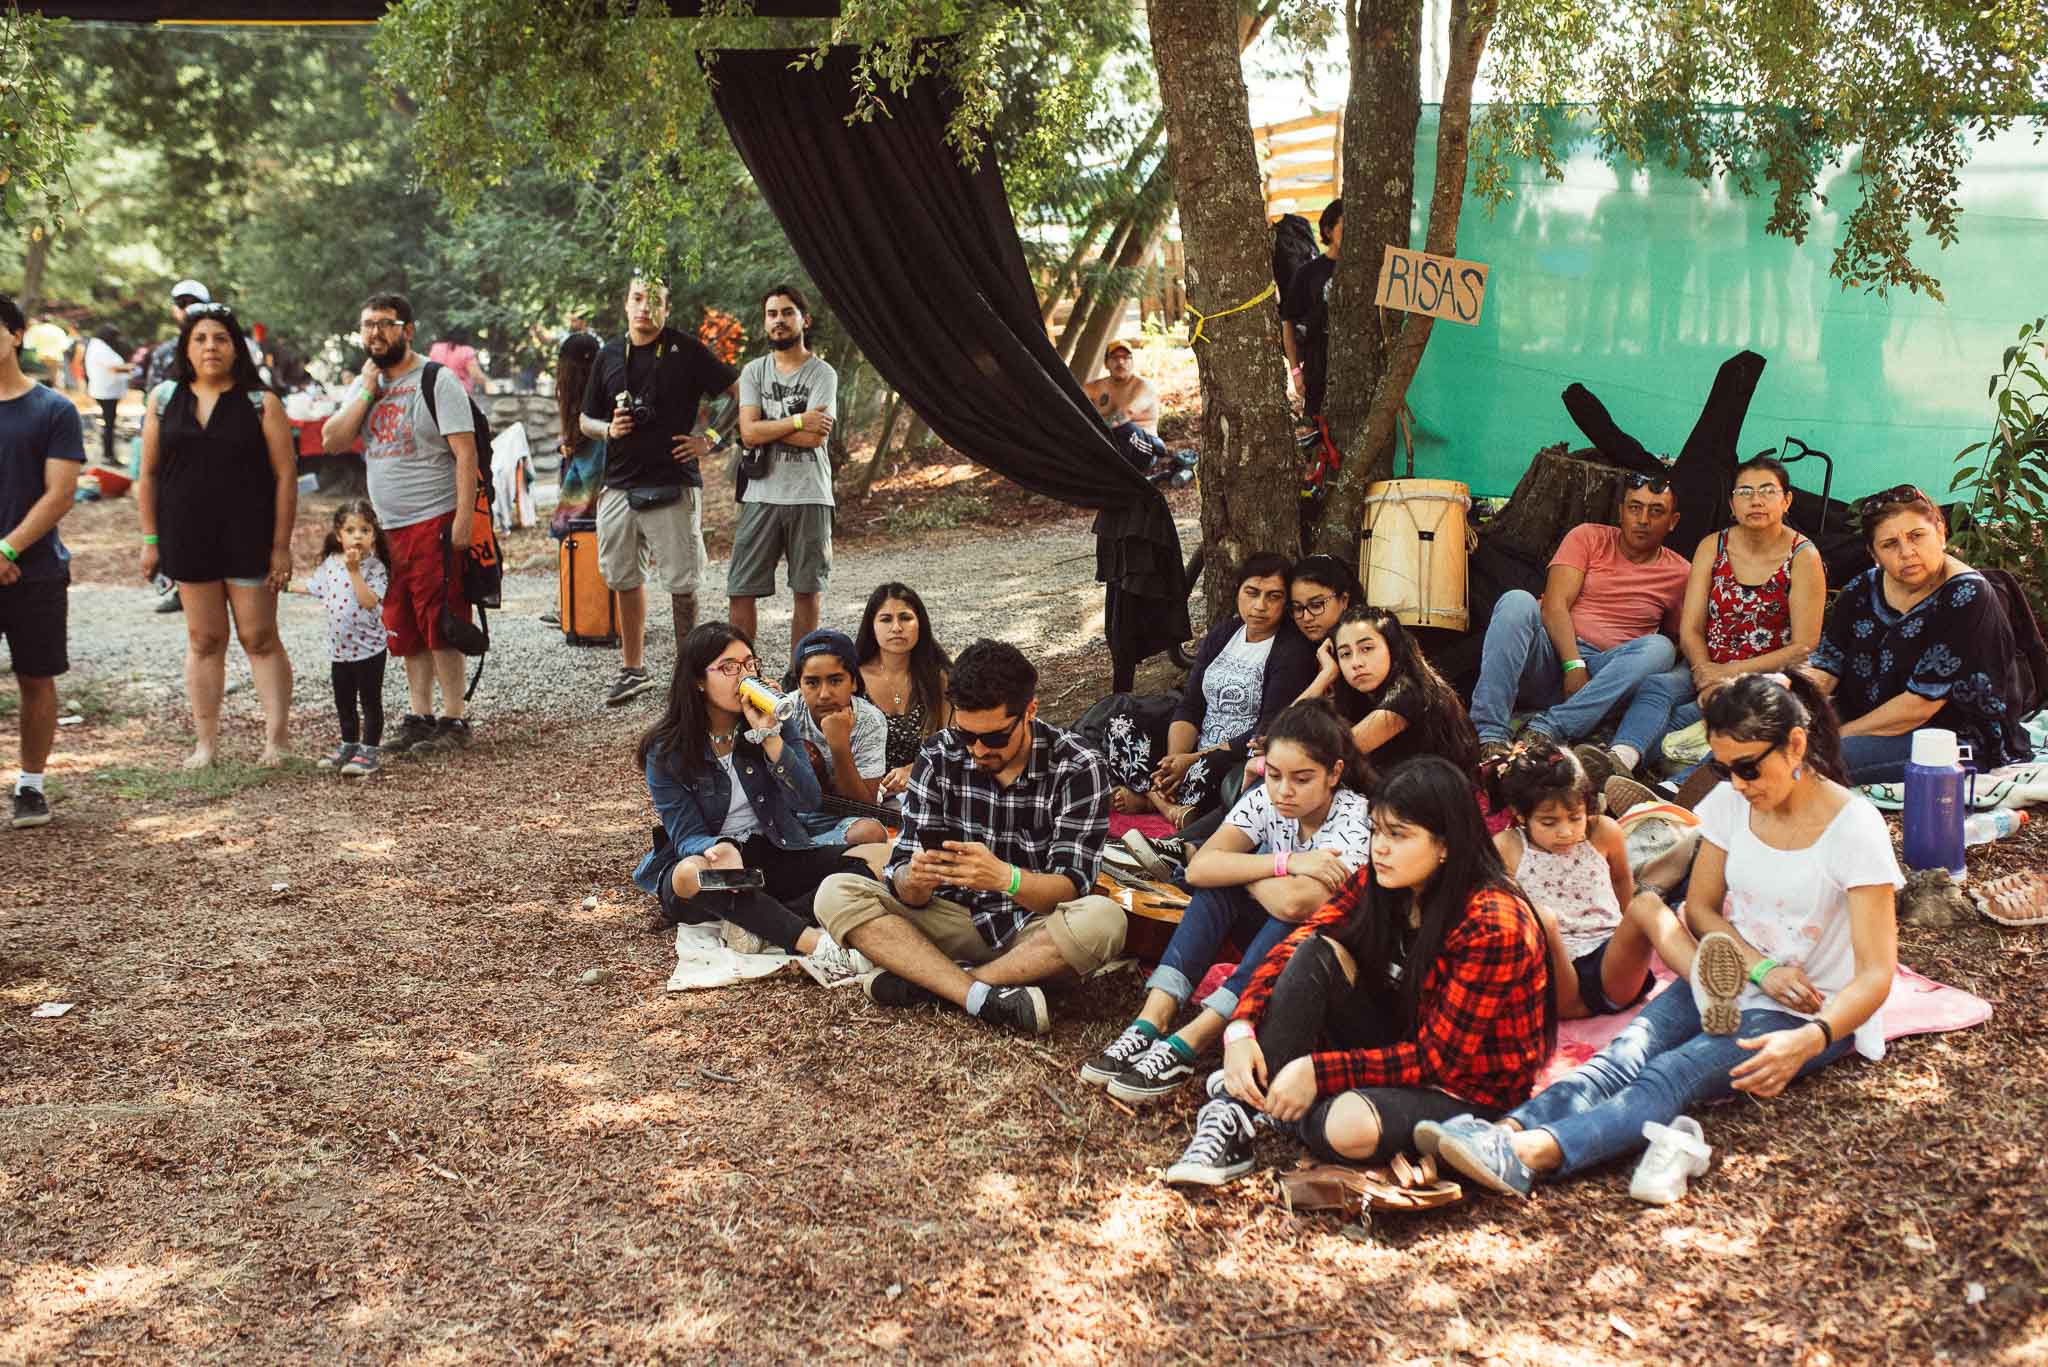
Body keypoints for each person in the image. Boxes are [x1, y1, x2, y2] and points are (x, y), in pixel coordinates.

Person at [1426, 674, 1900, 1205]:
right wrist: (1761, 968)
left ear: (1795, 743)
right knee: (1623, 1054)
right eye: (1724, 769)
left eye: (1748, 768)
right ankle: (1500, 1135)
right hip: (1734, 975)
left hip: (1809, 1011)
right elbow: (1698, 908)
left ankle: (1532, 1154)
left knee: (1674, 1072)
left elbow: (1878, 974)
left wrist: (1811, 1038)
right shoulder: (1731, 802)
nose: (1738, 784)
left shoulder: (1854, 828)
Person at [1164, 757, 1552, 1187]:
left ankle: (1278, 1104)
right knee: (1317, 951)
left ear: (1446, 845)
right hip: (1398, 1042)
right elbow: (1298, 944)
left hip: (1466, 1087)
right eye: (1376, 832)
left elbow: (1439, 1060)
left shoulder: (1493, 923)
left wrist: (1317, 1071)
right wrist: (1241, 1028)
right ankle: (1236, 1114)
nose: (1379, 847)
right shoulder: (1381, 880)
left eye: (1398, 835)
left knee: (1347, 1128)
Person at [813, 639, 1126, 1036]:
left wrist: (1004, 878)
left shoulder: (1078, 765)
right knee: (835, 893)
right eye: (966, 735)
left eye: (994, 738)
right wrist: (915, 879)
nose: (978, 750)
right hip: (945, 915)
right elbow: (903, 879)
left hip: (1028, 927)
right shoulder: (939, 754)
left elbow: (1071, 888)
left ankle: (940, 983)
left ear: (1030, 711)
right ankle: (980, 992)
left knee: (1104, 920)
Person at [1084, 701, 1373, 1104]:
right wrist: (1285, 862)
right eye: (1273, 775)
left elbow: (1296, 904)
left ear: (1334, 774)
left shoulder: (1354, 817)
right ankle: (1150, 1022)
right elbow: (1202, 868)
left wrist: (1245, 873)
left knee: (1277, 909)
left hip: (1328, 961)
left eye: (1302, 779)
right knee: (1220, 886)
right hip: (1274, 926)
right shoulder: (1266, 799)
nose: (1284, 790)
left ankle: (1194, 1038)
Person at [633, 622, 867, 986]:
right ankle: (814, 943)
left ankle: (758, 922)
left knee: (866, 863)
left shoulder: (773, 718)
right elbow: (685, 835)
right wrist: (716, 848)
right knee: (691, 872)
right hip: (712, 871)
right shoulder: (666, 751)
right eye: (728, 667)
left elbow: (807, 799)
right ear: (698, 680)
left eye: (749, 665)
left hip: (771, 852)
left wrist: (770, 737)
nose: (743, 676)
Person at [1589, 454, 1823, 785]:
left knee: (1734, 718)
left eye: (1767, 491)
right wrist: (1705, 676)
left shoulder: (1803, 556)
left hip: (1770, 675)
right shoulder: (1713, 546)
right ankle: (1618, 763)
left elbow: (1803, 645)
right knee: (1660, 687)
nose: (1755, 500)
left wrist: (1727, 675)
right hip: (1707, 665)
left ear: (1787, 501)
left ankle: (1676, 787)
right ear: (1731, 503)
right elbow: (1691, 628)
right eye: (1744, 492)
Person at [320, 292, 481, 757]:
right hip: (387, 530)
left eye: (385, 324)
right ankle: (419, 715)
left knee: (441, 619)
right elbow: (333, 439)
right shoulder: (366, 385)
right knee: (403, 622)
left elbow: (465, 452)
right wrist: (368, 389)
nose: (375, 332)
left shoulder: (437, 379)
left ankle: (455, 717)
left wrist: (464, 522)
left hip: (435, 519)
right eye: (367, 324)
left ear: (407, 330)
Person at [138, 303, 297, 769]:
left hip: (250, 536)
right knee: (204, 639)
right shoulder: (164, 400)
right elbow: (146, 475)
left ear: (236, 347)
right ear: (187, 348)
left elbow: (286, 476)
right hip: (187, 537)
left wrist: (281, 547)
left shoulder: (260, 402)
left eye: (221, 338)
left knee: (259, 636)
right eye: (201, 339)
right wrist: (150, 540)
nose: (211, 347)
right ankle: (206, 745)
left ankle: (277, 741)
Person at [577, 275, 738, 706]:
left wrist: (712, 439)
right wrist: (609, 429)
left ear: (668, 308)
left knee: (682, 582)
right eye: (637, 298)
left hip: (673, 482)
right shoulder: (610, 353)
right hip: (619, 485)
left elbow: (741, 393)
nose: (645, 307)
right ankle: (634, 670)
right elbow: (585, 420)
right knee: (624, 577)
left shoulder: (685, 349)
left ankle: (689, 676)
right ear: (626, 304)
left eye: (655, 301)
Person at [1802, 485, 2031, 784]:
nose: (1906, 552)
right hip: (1865, 722)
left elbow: (1918, 706)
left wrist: (1832, 736)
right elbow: (1826, 665)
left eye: (1916, 536)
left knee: (1800, 761)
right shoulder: (1861, 588)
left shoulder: (1967, 595)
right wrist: (1786, 706)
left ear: (1941, 533)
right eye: (1889, 544)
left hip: (1948, 738)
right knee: (1747, 746)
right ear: (1874, 554)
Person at [1470, 475, 1689, 759]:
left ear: (1673, 521)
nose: (1643, 519)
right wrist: (1573, 664)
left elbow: (1681, 636)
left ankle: (1549, 728)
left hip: (1603, 681)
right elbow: (1554, 605)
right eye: (1635, 507)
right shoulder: (1588, 537)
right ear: (1621, 511)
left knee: (1660, 648)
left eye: (1656, 511)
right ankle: (1489, 734)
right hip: (1549, 657)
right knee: (1516, 601)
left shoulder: (1682, 572)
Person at [1112, 553, 1318, 827]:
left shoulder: (1291, 651)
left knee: (1209, 771)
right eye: (1252, 592)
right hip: (1193, 750)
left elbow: (1267, 729)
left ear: (1286, 603)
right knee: (1121, 723)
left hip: (1232, 756)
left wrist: (1192, 761)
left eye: (1274, 596)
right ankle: (1163, 801)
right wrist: (1174, 761)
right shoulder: (1224, 634)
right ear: (1238, 591)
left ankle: (1152, 799)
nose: (1260, 606)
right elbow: (1192, 704)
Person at [1487, 740, 1677, 1019]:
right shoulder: (1507, 846)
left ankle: (1702, 976)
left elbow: (1622, 881)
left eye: (1575, 818)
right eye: (1549, 823)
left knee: (1647, 903)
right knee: (1544, 919)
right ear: (1520, 815)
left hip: (1610, 967)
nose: (1565, 832)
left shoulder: (1604, 832)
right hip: (1555, 981)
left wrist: (1629, 933)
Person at [0, 295, 85, 829]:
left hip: (36, 571)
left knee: (36, 678)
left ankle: (31, 785)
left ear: (16, 335)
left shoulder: (54, 410)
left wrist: (6, 549)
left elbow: (60, 493)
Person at [732, 284, 838, 661]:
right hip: (761, 495)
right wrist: (796, 420)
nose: (779, 320)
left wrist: (767, 427)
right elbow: (748, 431)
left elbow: (814, 439)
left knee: (806, 590)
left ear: (804, 320)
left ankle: (801, 676)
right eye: (772, 314)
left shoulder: (822, 373)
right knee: (741, 588)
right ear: (765, 322)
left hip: (810, 494)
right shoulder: (753, 372)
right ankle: (743, 675)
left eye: (787, 312)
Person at [1318, 607, 1481, 775]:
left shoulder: (1409, 692)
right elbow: (1294, 738)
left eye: (1366, 648)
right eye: (1345, 654)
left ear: (1392, 648)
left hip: (1441, 796)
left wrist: (1323, 678)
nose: (1356, 662)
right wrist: (1326, 674)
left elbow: (1320, 754)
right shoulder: (1361, 697)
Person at [303, 500, 391, 778]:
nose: (357, 536)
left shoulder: (375, 568)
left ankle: (370, 750)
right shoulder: (330, 564)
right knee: (344, 701)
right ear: (339, 535)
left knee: (369, 700)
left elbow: (367, 601)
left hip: (369, 650)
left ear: (374, 535)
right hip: (339, 651)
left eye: (364, 530)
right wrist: (281, 584)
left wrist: (354, 571)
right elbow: (312, 587)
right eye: (350, 530)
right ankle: (349, 744)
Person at [789, 627, 890, 847]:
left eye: (835, 681)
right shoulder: (786, 712)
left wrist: (839, 745)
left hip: (843, 822)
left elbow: (865, 807)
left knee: (870, 833)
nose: (824, 694)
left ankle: (803, 854)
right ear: (799, 685)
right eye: (812, 683)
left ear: (853, 682)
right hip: (789, 818)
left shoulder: (869, 720)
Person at [856, 581, 952, 801]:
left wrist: (914, 770)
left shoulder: (938, 678)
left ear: (920, 624)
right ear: (871, 625)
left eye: (906, 618)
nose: (897, 628)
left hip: (926, 787)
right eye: (886, 619)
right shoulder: (853, 679)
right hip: (865, 795)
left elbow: (952, 741)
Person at [1280, 198, 1342, 417]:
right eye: (1345, 226)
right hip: (1317, 372)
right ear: (1328, 230)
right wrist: (1296, 372)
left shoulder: (1367, 271)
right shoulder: (1309, 273)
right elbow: (1288, 322)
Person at [1083, 338, 1167, 471]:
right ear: (1106, 363)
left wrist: (1094, 432)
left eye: (1126, 357)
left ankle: (1123, 474)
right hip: (1110, 445)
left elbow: (1127, 413)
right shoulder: (1094, 388)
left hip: (1144, 449)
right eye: (1114, 357)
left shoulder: (1143, 387)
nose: (1120, 362)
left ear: (1132, 363)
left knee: (1125, 428)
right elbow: (1073, 408)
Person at [142, 279, 209, 394]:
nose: (188, 308)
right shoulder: (163, 353)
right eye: (181, 303)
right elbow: (153, 398)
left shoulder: (221, 348)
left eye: (195, 303)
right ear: (173, 310)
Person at [84, 326, 133, 469]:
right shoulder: (100, 348)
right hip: (106, 392)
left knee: (109, 424)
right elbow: (113, 367)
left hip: (105, 390)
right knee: (109, 425)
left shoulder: (98, 346)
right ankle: (108, 455)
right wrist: (131, 367)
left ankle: (109, 454)